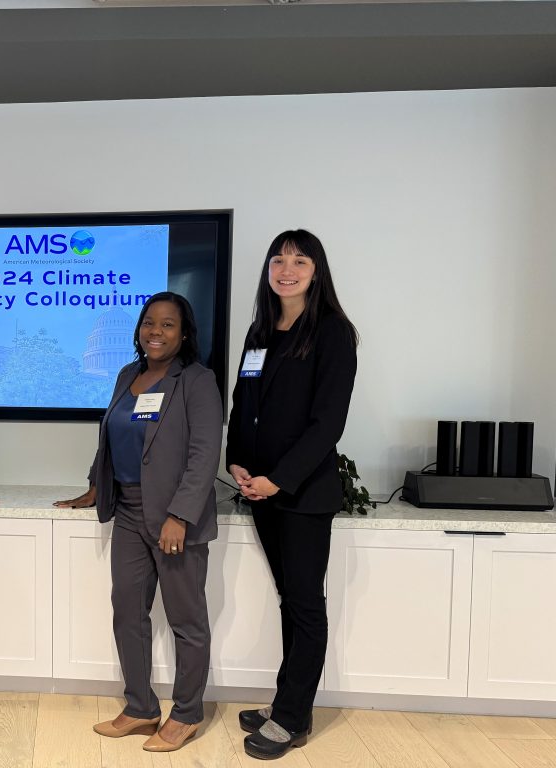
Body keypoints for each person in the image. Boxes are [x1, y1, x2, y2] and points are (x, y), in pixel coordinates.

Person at [56, 291, 222, 754]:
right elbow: (109, 439)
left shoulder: (197, 381)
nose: (156, 331)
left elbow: (204, 454)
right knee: (129, 612)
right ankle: (141, 707)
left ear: (184, 333)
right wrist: (94, 486)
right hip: (127, 513)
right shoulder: (128, 374)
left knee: (186, 620)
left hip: (173, 520)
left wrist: (180, 515)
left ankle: (187, 713)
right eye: (150, 322)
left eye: (168, 325)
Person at [225, 229, 358, 760]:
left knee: (305, 604)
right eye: (278, 260)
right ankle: (288, 702)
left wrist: (279, 478)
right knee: (290, 599)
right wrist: (236, 460)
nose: (287, 269)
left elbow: (329, 423)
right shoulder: (261, 331)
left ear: (316, 270)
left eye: (299, 261)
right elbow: (242, 402)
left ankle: (294, 718)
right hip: (258, 489)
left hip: (301, 493)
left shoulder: (332, 331)